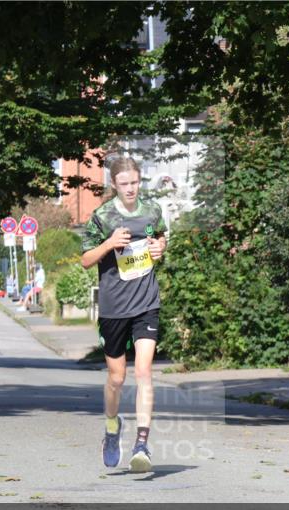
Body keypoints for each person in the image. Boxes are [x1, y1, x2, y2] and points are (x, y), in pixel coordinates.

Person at [81, 157, 167, 472]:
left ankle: (142, 444)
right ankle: (111, 428)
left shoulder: (152, 210)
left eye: (135, 183)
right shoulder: (102, 216)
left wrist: (160, 248)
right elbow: (86, 260)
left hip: (146, 302)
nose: (130, 189)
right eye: (124, 184)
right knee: (117, 377)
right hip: (114, 307)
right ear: (114, 184)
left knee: (144, 371)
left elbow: (160, 237)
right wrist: (109, 244)